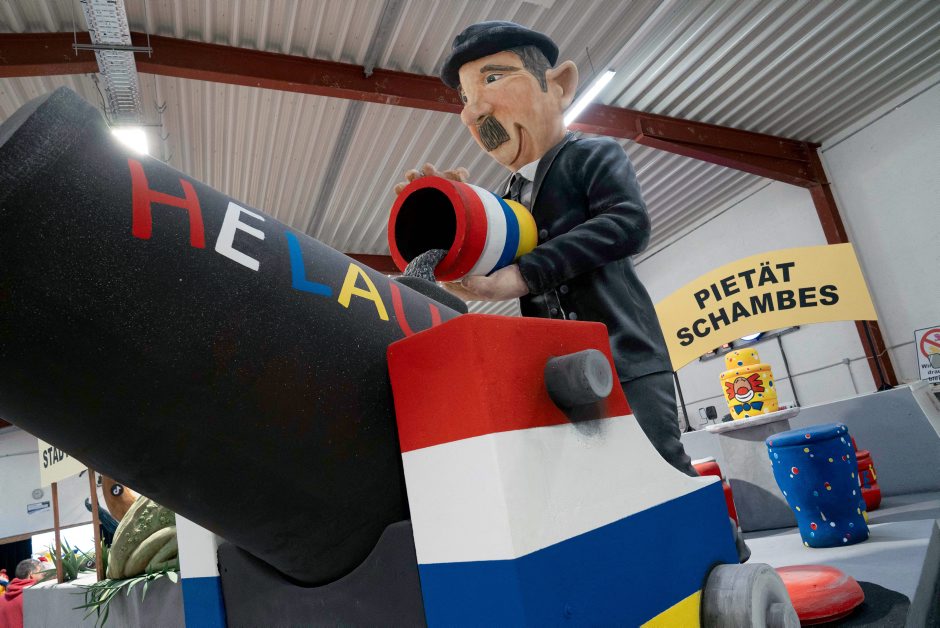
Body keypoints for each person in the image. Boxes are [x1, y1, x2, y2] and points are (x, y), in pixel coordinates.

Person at [396, 21, 696, 477]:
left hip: (625, 357)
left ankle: (710, 525)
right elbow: (485, 260)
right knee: (600, 485)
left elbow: (627, 223)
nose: (474, 110)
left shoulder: (592, 155)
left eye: (493, 78)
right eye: (465, 97)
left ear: (558, 86)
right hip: (559, 372)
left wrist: (525, 274)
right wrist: (453, 210)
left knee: (660, 470)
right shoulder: (509, 197)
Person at [0, 558, 42, 628]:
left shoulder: (1, 599)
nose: (43, 576)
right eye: (41, 573)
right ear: (31, 574)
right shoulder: (36, 598)